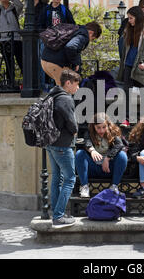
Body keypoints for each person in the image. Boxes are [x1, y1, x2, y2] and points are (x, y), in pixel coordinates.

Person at [46, 69, 81, 227]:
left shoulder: (52, 95)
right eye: (76, 84)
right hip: (62, 144)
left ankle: (56, 212)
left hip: (51, 143)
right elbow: (70, 120)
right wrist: (74, 130)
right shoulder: (66, 99)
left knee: (57, 178)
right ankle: (59, 216)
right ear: (68, 83)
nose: (78, 88)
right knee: (70, 179)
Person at [116, 6, 144, 128]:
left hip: (141, 67)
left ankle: (142, 120)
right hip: (128, 65)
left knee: (143, 93)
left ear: (138, 17)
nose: (129, 20)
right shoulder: (129, 29)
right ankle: (126, 119)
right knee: (126, 93)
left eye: (131, 18)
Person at [75, 113, 128, 197]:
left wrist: (108, 158)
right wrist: (92, 150)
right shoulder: (89, 133)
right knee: (79, 154)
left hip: (109, 169)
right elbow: (86, 142)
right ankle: (84, 187)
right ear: (93, 127)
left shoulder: (113, 132)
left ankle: (114, 186)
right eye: (98, 128)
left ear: (108, 125)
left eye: (104, 127)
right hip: (94, 168)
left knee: (122, 155)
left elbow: (119, 145)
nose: (101, 130)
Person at [41, 21, 102, 86]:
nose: (90, 41)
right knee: (66, 90)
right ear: (91, 33)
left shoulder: (75, 29)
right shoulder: (83, 35)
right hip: (57, 64)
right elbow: (71, 47)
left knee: (62, 89)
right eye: (92, 39)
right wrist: (75, 63)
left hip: (45, 61)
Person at [33, 0, 51, 92]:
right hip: (32, 38)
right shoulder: (29, 6)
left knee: (42, 61)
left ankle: (43, 85)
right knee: (34, 62)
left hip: (42, 36)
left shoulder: (44, 6)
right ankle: (38, 84)